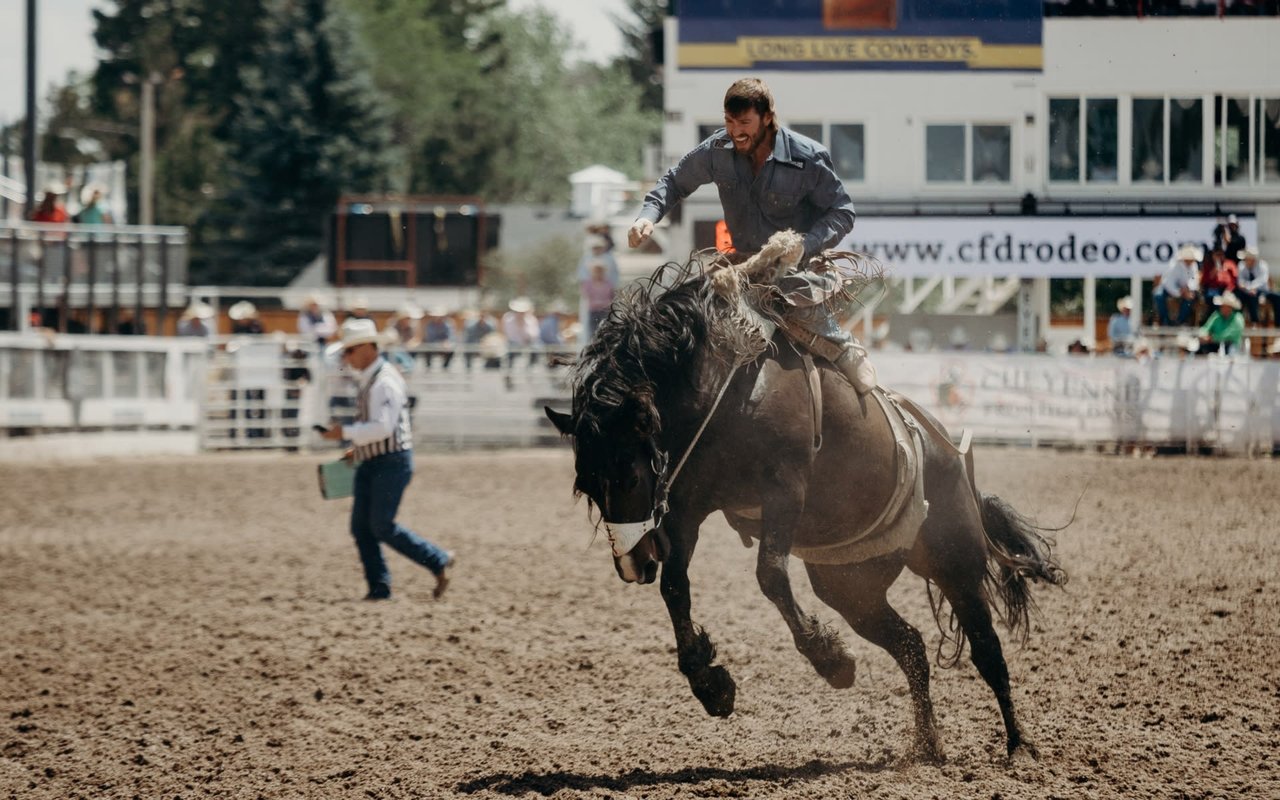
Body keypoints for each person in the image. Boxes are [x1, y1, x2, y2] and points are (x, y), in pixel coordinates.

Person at [626, 77, 875, 394]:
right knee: (686, 316)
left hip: (796, 271)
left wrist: (805, 245)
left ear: (767, 117)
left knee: (804, 308)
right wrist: (647, 217)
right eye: (729, 122)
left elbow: (842, 212)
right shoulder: (717, 150)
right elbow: (674, 181)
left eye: (744, 122)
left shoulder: (808, 157)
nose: (735, 131)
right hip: (740, 270)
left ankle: (846, 349)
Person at [321, 318, 455, 600]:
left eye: (349, 351)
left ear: (367, 348)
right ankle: (379, 586)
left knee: (380, 525)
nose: (347, 358)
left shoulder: (384, 381)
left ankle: (437, 559)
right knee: (363, 527)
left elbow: (383, 427)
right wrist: (358, 447)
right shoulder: (375, 378)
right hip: (377, 460)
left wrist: (345, 433)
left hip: (391, 462)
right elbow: (380, 428)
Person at [1153, 244, 1202, 326]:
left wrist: (1188, 289)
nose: (1191, 261)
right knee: (1158, 295)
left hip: (1184, 290)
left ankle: (1179, 321)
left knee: (1190, 299)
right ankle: (1165, 320)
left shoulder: (1194, 266)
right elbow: (1169, 283)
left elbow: (1194, 281)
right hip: (1168, 288)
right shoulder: (1175, 265)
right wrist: (1180, 292)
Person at [1234, 248, 1276, 325]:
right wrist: (1249, 288)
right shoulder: (1241, 265)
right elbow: (1240, 281)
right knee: (1243, 296)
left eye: (1247, 258)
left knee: (1277, 297)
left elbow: (1262, 281)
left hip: (1263, 291)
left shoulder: (1263, 265)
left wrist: (1251, 287)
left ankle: (1278, 324)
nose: (1246, 260)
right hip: (1246, 292)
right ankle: (1250, 322)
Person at [1197, 291, 1244, 355]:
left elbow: (1230, 335)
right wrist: (1203, 335)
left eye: (1223, 306)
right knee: (1201, 347)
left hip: (1231, 345)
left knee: (1232, 351)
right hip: (1215, 344)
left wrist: (1212, 338)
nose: (1221, 307)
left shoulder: (1238, 318)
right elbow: (1206, 327)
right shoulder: (1216, 315)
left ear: (1230, 307)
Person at [581, 262, 615, 341]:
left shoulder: (608, 283)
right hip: (593, 310)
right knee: (592, 332)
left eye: (600, 271)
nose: (598, 273)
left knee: (606, 331)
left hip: (605, 310)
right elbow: (586, 295)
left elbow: (611, 296)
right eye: (596, 271)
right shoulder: (588, 283)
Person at [502, 296, 539, 366]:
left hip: (528, 343)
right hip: (513, 343)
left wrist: (525, 333)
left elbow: (534, 335)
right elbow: (509, 335)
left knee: (537, 348)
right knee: (511, 348)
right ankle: (509, 368)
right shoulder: (508, 319)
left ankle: (531, 367)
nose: (520, 314)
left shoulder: (531, 320)